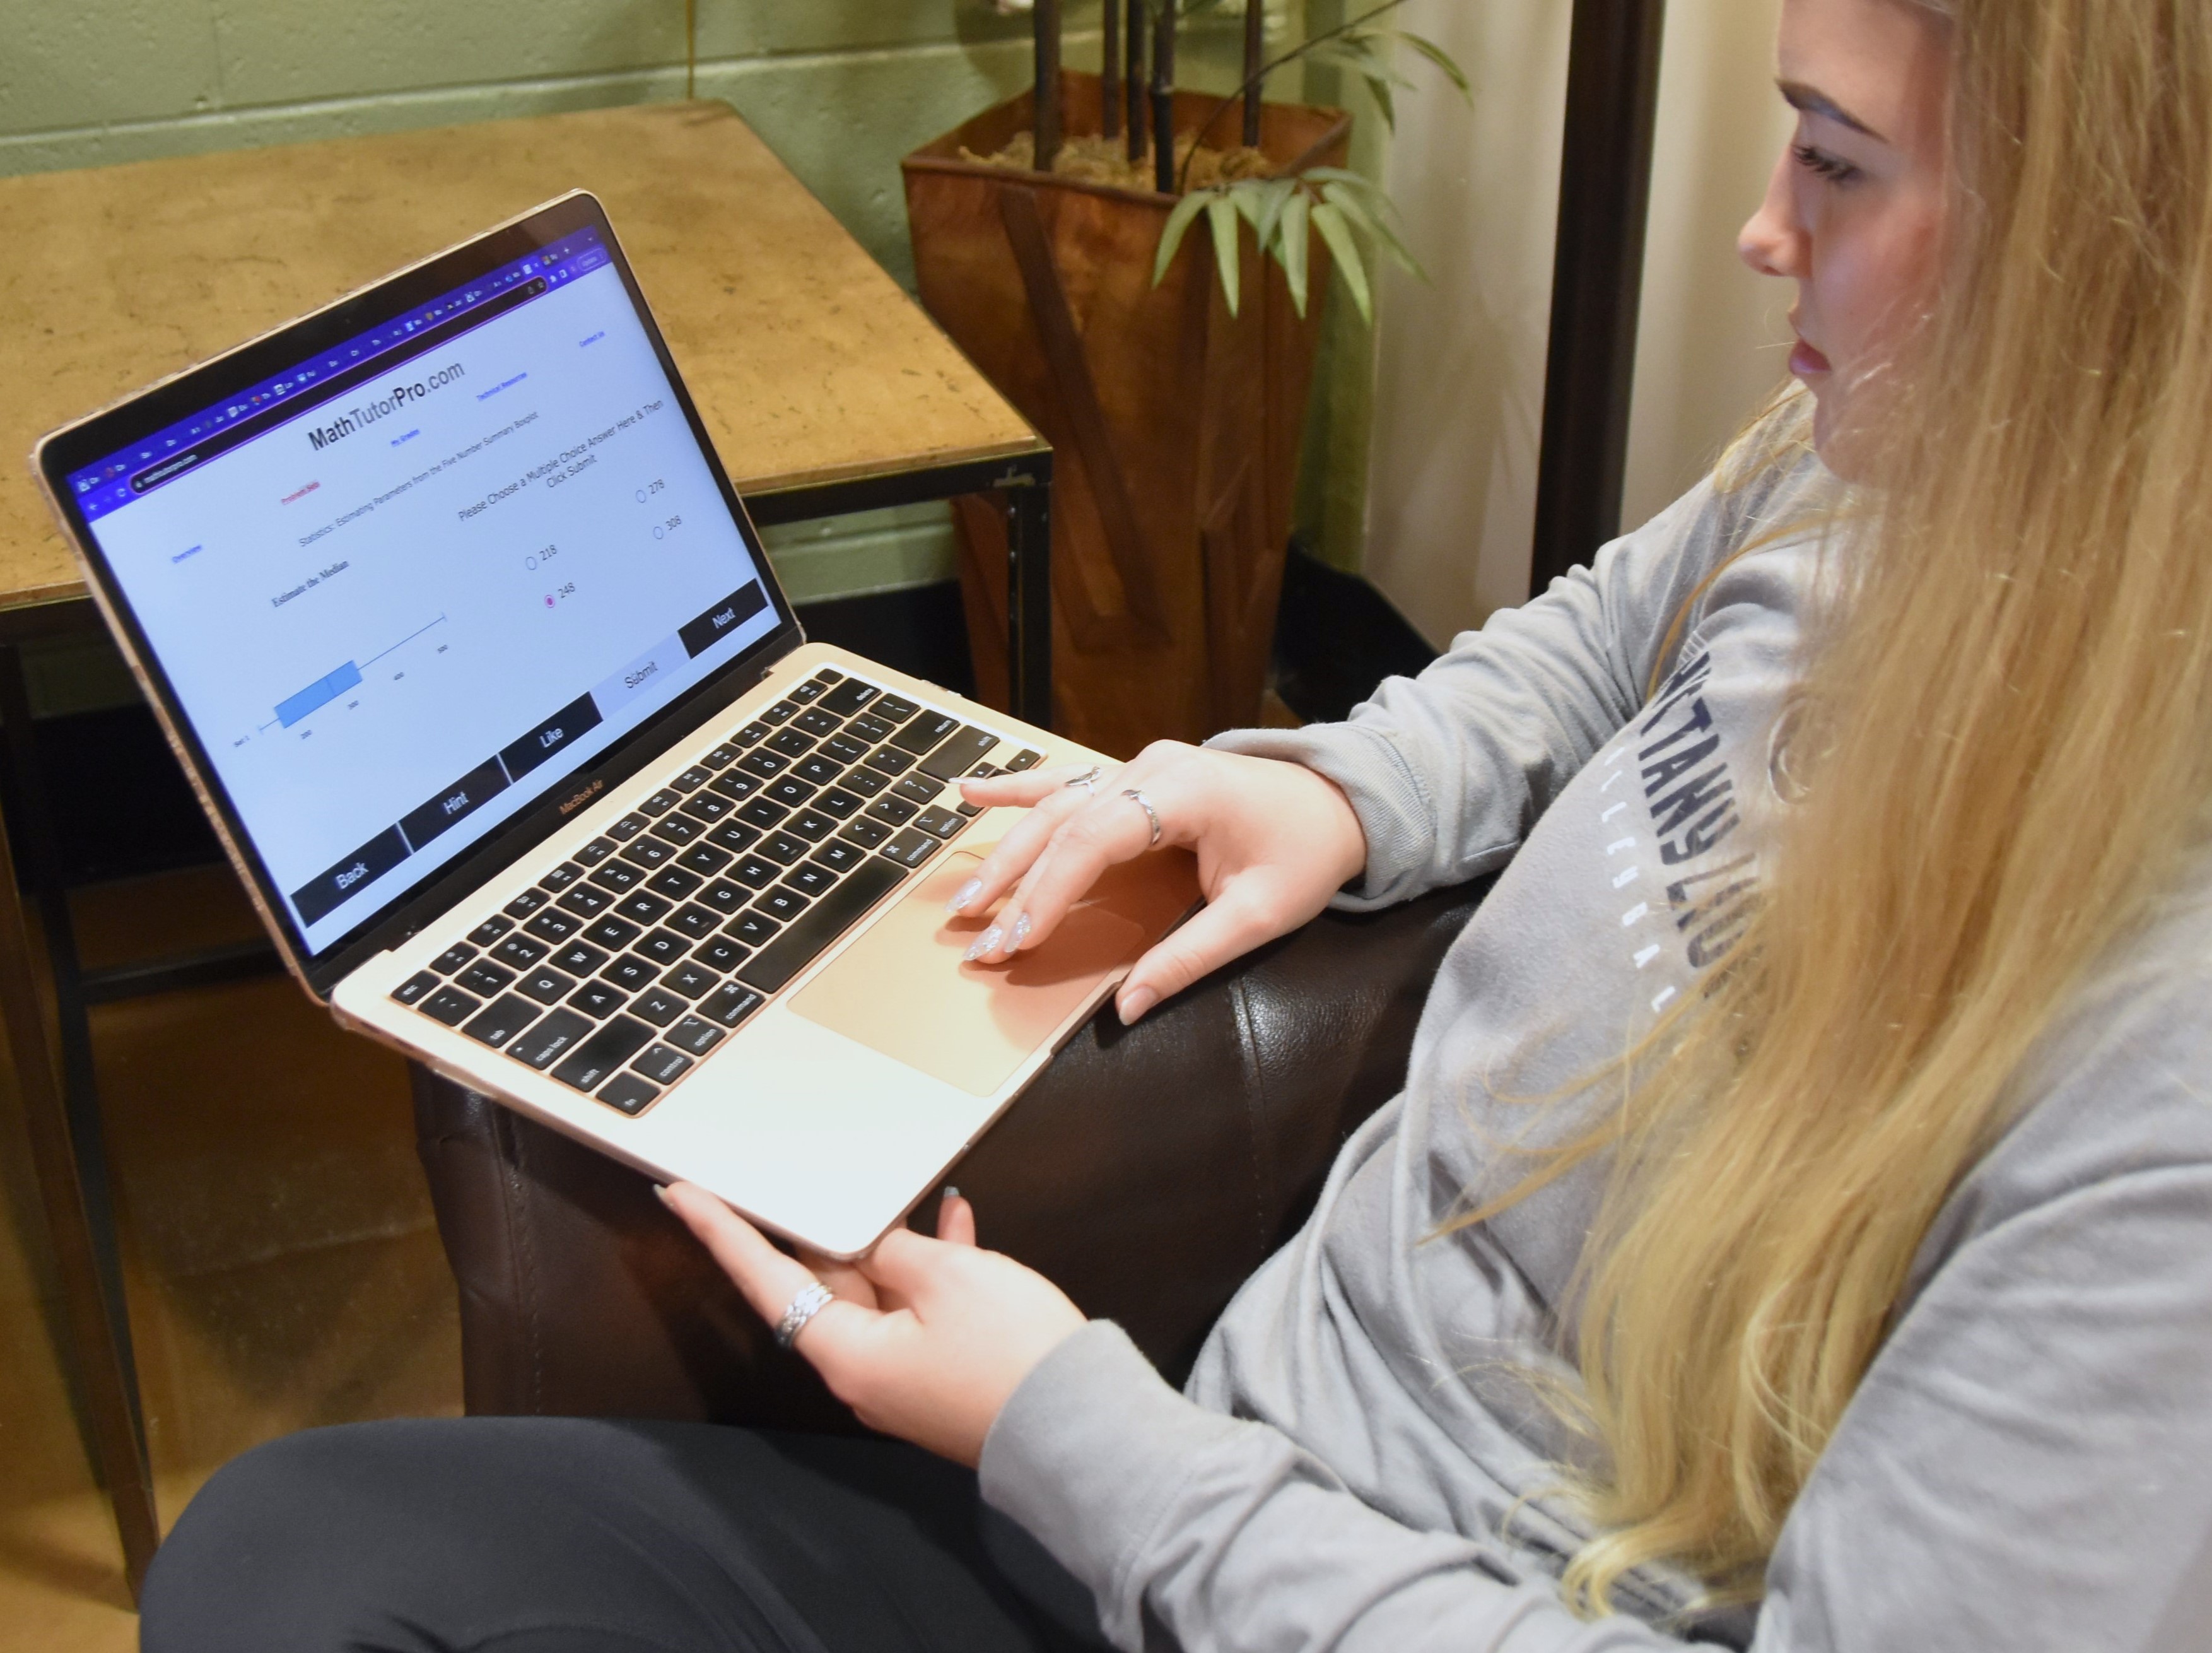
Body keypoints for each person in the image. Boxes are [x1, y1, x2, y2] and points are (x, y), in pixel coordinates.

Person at [143, 0, 2212, 1646]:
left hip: (1235, 1527)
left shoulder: (2159, 1074)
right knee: (294, 1551)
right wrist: (1327, 780)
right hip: (1187, 1477)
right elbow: (1599, 637)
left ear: (2115, 252)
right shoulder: (1878, 480)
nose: (1764, 224)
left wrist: (1070, 1434)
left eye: (1837, 162)